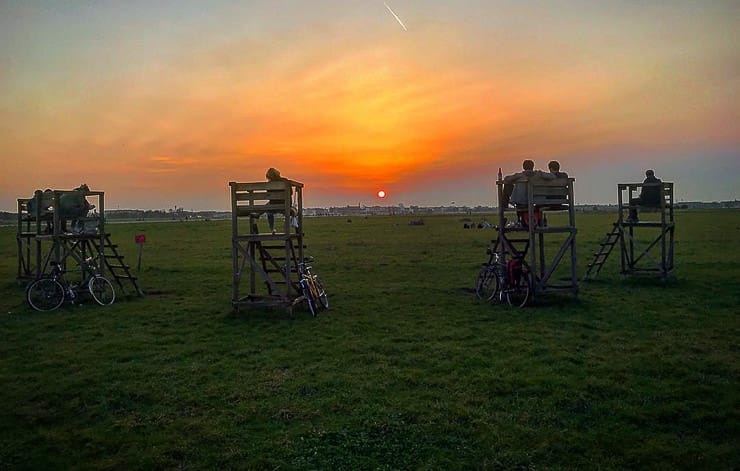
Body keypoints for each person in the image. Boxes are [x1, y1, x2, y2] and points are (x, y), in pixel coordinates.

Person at [502, 159, 554, 227]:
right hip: (535, 201)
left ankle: (504, 205)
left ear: (523, 167)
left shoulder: (520, 175)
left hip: (522, 202)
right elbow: (552, 176)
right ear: (533, 166)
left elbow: (506, 179)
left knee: (507, 186)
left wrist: (516, 181)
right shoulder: (539, 174)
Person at [265, 168, 297, 234]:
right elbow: (290, 193)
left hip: (274, 205)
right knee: (292, 212)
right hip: (286, 204)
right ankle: (290, 229)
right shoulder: (285, 181)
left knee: (268, 210)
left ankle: (272, 229)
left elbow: (269, 196)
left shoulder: (269, 184)